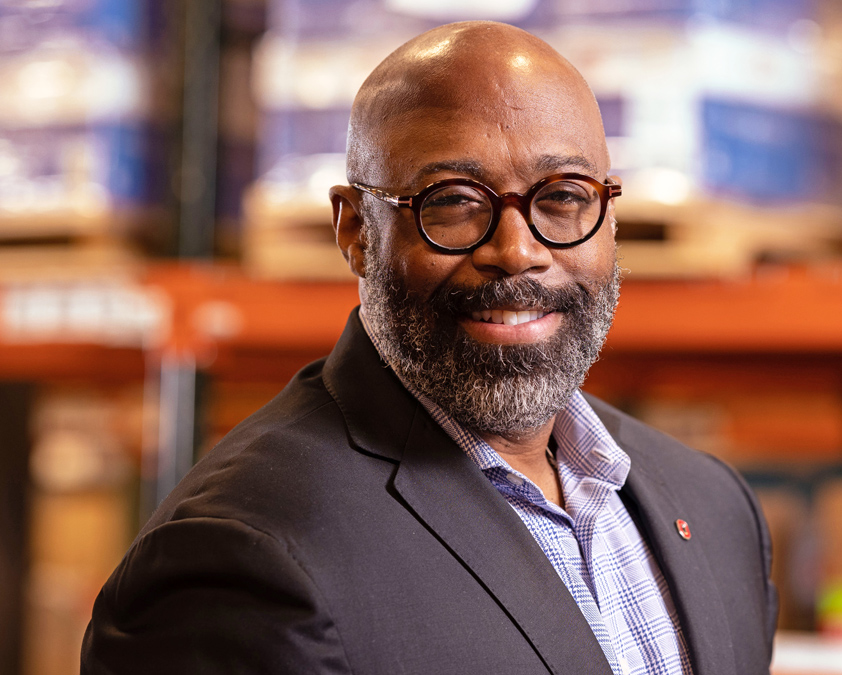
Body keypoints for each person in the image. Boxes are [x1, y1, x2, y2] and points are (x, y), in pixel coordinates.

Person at [82, 21, 776, 675]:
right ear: (355, 229)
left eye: (563, 196)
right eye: (453, 201)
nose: (517, 251)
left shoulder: (714, 508)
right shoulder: (241, 560)